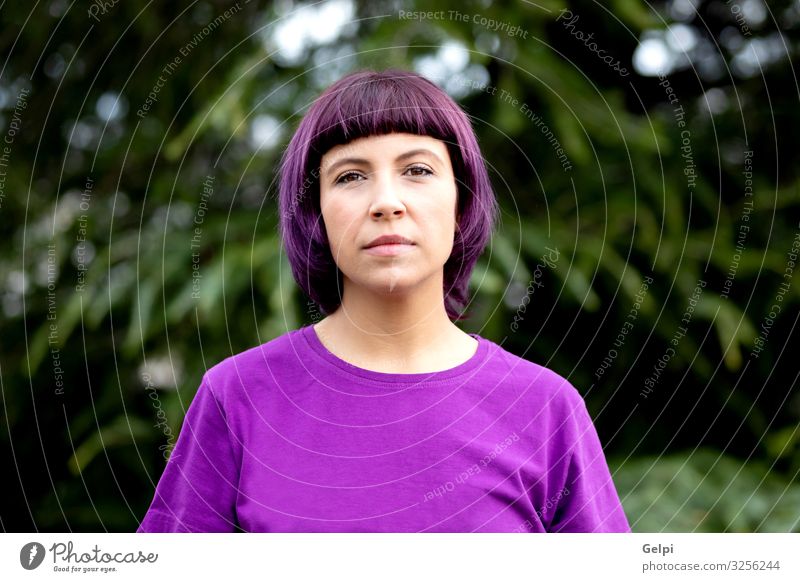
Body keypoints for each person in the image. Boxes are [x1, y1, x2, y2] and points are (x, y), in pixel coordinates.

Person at [137, 69, 630, 533]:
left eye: (417, 169)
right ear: (317, 214)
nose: (387, 201)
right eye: (351, 176)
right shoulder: (238, 397)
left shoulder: (545, 408)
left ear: (461, 201)